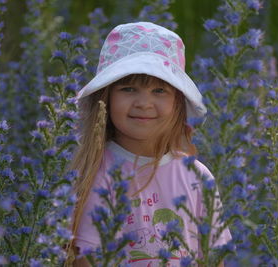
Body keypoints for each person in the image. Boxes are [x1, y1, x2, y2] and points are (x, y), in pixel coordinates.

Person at [67, 21, 231, 267]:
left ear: (177, 102)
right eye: (129, 88)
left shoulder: (197, 177)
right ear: (106, 98)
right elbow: (87, 260)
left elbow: (215, 258)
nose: (144, 103)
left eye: (159, 91)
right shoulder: (98, 174)